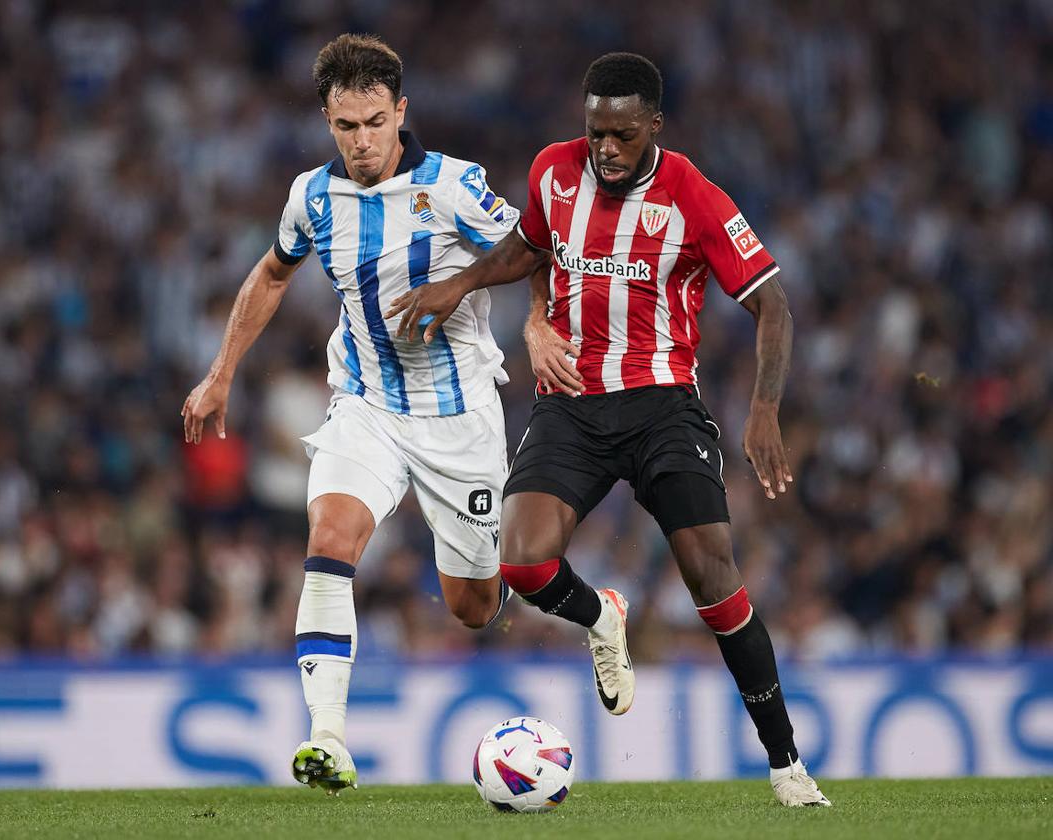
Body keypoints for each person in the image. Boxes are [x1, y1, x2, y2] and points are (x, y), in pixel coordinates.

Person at [386, 52, 830, 807]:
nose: (606, 150)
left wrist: (763, 407)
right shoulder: (555, 172)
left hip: (662, 405)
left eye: (622, 136)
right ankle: (601, 618)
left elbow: (773, 304)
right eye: (596, 134)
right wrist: (462, 282)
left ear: (653, 126)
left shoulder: (693, 194)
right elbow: (529, 245)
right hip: (572, 401)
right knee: (522, 566)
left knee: (713, 577)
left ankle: (787, 764)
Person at [181, 34, 520, 795]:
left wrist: (509, 314)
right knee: (330, 537)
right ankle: (327, 739)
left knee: (473, 605)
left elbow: (533, 248)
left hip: (458, 417)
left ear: (401, 111)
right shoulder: (311, 196)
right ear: (326, 120)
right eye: (345, 126)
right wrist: (220, 373)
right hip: (365, 403)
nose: (362, 141)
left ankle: (560, 588)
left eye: (374, 122)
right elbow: (271, 274)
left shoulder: (457, 186)